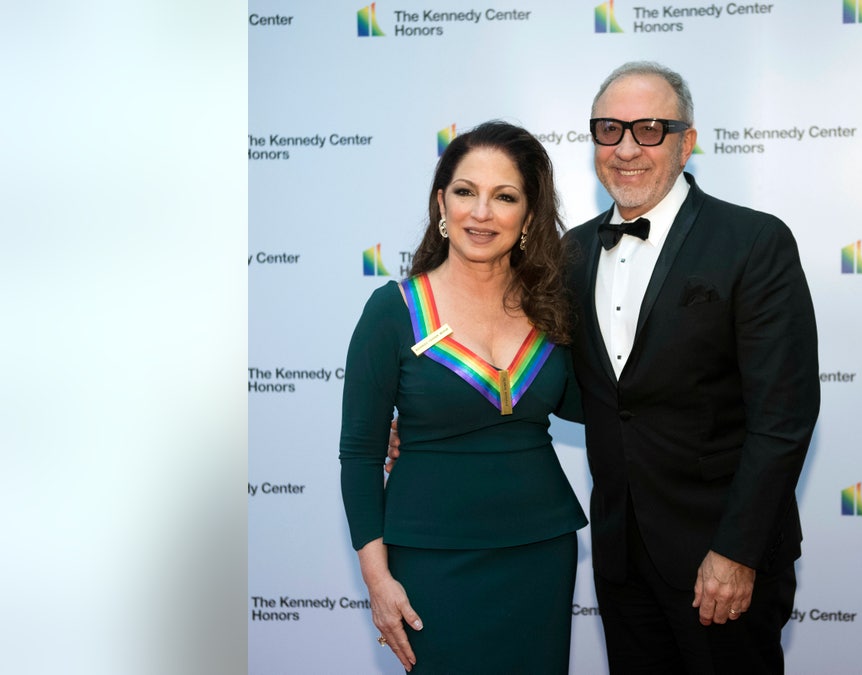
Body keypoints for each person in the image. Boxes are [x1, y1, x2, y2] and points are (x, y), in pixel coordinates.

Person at [561, 61, 820, 674]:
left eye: (649, 128)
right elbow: (554, 381)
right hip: (622, 557)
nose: (626, 148)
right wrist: (430, 422)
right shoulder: (571, 252)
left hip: (721, 558)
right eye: (608, 129)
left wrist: (735, 551)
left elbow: (782, 418)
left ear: (687, 142)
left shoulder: (753, 241)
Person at [339, 121, 586, 674]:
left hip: (540, 552)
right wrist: (378, 581)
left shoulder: (554, 309)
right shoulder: (393, 310)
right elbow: (359, 456)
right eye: (465, 192)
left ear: (528, 215)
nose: (482, 212)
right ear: (441, 204)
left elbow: (603, 404)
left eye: (505, 197)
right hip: (430, 562)